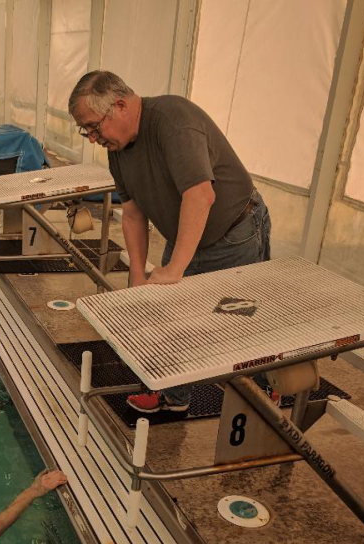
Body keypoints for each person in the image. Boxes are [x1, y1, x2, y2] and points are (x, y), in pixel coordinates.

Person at [68, 70, 272, 415]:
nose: (91, 138)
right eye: (84, 130)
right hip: (186, 232)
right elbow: (132, 213)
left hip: (235, 229)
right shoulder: (117, 146)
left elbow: (200, 194)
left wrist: (175, 267)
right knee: (164, 311)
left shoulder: (173, 121)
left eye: (93, 126)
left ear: (119, 106)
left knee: (239, 321)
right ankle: (173, 394)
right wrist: (137, 276)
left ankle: (267, 396)